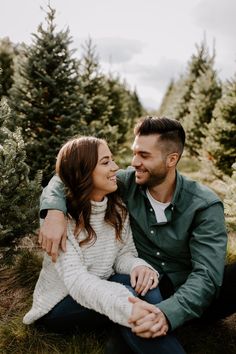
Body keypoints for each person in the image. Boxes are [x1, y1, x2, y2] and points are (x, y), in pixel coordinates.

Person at [38, 117, 235, 352]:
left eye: (144, 155)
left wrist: (167, 313)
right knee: (133, 315)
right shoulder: (126, 183)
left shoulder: (204, 205)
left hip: (188, 290)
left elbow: (206, 277)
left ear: (172, 159)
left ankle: (148, 326)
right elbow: (72, 172)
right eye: (134, 153)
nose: (133, 162)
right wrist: (53, 210)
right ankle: (140, 331)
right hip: (145, 286)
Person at [24, 136, 186, 354]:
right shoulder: (61, 219)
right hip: (60, 304)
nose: (116, 167)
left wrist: (138, 266)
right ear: (83, 170)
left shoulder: (116, 206)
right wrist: (126, 307)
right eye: (106, 162)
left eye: (112, 160)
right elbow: (77, 281)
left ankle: (151, 328)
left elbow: (124, 253)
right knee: (127, 294)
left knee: (146, 281)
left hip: (102, 284)